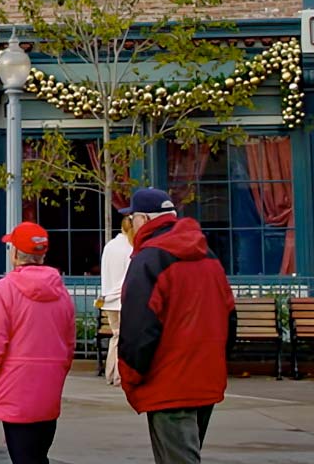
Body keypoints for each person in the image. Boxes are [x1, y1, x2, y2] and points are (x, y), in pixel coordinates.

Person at [118, 188, 236, 464]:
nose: (130, 224)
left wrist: (131, 378)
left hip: (168, 382)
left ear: (144, 219)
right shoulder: (208, 256)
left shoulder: (148, 260)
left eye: (132, 217)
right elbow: (230, 316)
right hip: (205, 377)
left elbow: (137, 330)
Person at [0, 221, 75, 464]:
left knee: (24, 457)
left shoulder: (3, 291)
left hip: (14, 387)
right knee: (38, 455)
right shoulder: (61, 293)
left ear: (16, 254)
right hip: (48, 387)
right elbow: (69, 343)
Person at [99, 216, 135, 387]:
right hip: (124, 299)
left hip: (109, 300)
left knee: (116, 336)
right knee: (123, 338)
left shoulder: (109, 246)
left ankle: (111, 372)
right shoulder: (130, 248)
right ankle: (118, 374)